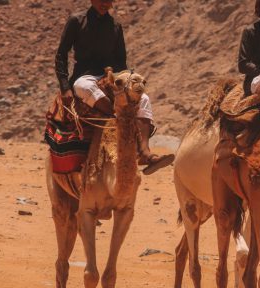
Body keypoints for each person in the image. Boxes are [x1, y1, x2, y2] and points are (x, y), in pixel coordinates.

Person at [54, 0, 173, 175]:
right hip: (84, 76)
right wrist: (65, 86)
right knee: (85, 87)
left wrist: (122, 82)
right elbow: (61, 54)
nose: (104, 4)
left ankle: (145, 153)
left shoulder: (115, 26)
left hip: (111, 78)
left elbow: (121, 61)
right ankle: (120, 118)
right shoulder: (76, 21)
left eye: (108, 1)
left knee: (144, 98)